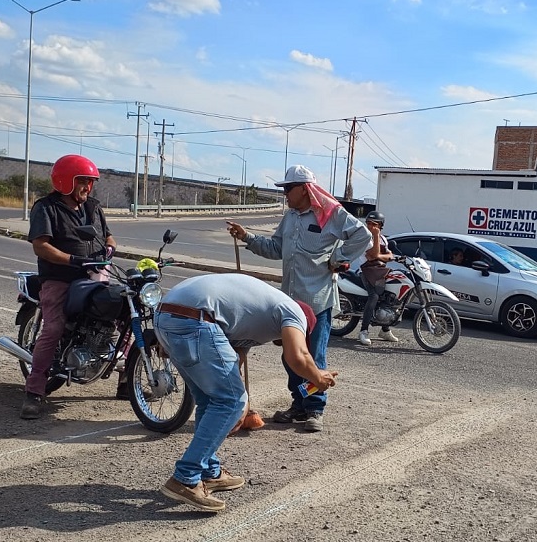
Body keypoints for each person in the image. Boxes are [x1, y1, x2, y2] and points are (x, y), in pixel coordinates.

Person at [153, 273, 337, 512]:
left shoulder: (256, 315)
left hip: (169, 315)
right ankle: (185, 477)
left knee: (212, 401)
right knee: (229, 402)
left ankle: (209, 471)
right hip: (196, 319)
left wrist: (242, 401)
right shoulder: (295, 312)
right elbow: (299, 357)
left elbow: (233, 362)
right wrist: (318, 378)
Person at [226, 165, 369, 432]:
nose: (285, 194)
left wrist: (338, 258)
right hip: (290, 303)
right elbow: (275, 248)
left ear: (305, 189)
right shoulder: (290, 218)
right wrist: (247, 237)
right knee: (291, 357)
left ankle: (315, 408)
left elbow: (363, 236)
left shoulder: (331, 214)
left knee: (313, 356)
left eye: (288, 189)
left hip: (317, 301)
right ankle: (299, 403)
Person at [21, 154, 116, 420]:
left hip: (94, 273)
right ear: (65, 181)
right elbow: (41, 245)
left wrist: (110, 247)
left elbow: (108, 234)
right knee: (53, 327)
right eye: (83, 181)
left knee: (117, 313)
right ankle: (34, 391)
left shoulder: (93, 207)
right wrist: (72, 260)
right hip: (59, 277)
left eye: (90, 182)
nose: (88, 187)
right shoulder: (46, 207)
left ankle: (125, 382)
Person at [353, 211, 399, 346]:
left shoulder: (383, 239)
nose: (370, 226)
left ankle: (385, 330)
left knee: (389, 296)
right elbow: (372, 255)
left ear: (381, 225)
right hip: (366, 271)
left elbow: (390, 256)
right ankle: (364, 331)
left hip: (380, 271)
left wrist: (379, 255)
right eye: (368, 223)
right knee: (373, 296)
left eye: (374, 224)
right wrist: (376, 236)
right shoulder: (365, 238)